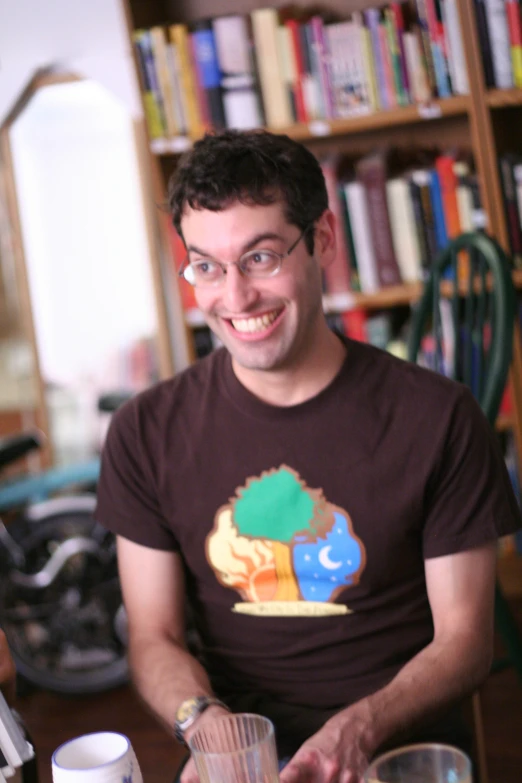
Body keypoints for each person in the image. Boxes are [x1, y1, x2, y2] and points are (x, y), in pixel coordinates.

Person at [95, 129, 521, 783]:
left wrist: (357, 730)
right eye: (206, 265)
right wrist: (207, 728)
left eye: (261, 257)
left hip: (395, 744)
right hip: (241, 758)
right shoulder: (144, 432)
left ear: (322, 238)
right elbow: (154, 636)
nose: (234, 298)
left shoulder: (438, 416)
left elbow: (465, 642)